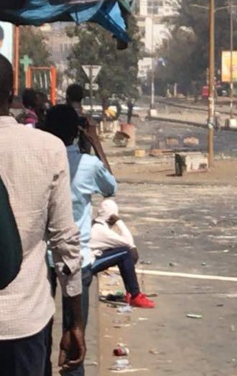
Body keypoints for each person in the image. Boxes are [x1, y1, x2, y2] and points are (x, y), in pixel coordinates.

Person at [0, 56, 86, 375]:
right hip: (23, 321)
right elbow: (65, 241)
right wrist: (75, 321)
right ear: (12, 95)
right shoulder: (47, 148)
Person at [43, 104, 117, 376]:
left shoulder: (41, 160)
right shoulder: (89, 165)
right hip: (77, 257)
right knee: (75, 331)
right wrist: (95, 142)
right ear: (77, 131)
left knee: (41, 330)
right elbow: (110, 187)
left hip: (43, 257)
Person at [90, 200, 155, 308]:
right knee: (125, 253)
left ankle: (131, 292)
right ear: (111, 217)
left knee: (122, 251)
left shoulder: (96, 225)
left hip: (90, 258)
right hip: (89, 264)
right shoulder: (100, 230)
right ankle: (135, 295)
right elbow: (128, 242)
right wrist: (119, 222)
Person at [65, 84, 112, 173]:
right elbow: (109, 177)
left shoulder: (61, 119)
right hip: (82, 167)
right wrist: (95, 140)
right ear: (82, 97)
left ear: (67, 97)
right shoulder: (86, 121)